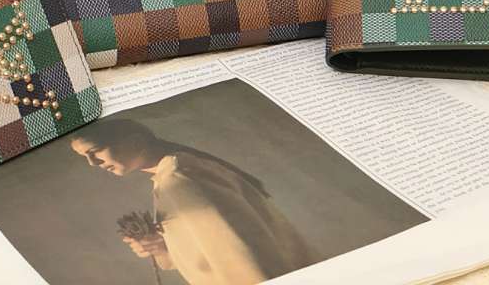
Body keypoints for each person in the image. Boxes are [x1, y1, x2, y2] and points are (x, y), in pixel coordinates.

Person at [71, 119, 318, 285]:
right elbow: (217, 245)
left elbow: (243, 255)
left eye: (94, 151)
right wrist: (164, 248)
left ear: (134, 142)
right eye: (85, 157)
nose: (92, 163)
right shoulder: (173, 174)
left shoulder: (181, 179)